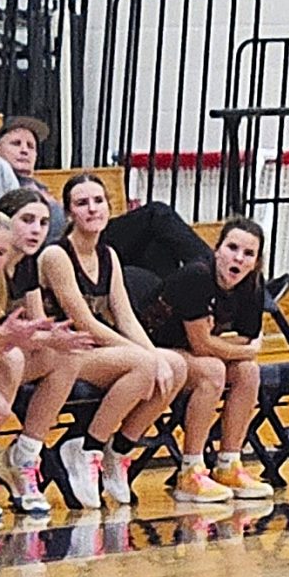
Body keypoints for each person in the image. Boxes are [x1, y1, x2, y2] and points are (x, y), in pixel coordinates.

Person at [38, 171, 185, 509]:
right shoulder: (57, 256)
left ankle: (117, 450)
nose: (92, 208)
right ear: (70, 212)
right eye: (82, 203)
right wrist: (145, 356)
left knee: (174, 366)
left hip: (97, 351)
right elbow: (85, 322)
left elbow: (126, 318)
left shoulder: (109, 255)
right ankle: (85, 447)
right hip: (64, 354)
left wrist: (153, 353)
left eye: (98, 201)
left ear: (109, 206)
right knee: (147, 365)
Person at [144, 218, 273, 502]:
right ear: (217, 250)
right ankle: (190, 471)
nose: (238, 257)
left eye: (248, 253)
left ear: (256, 261)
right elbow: (203, 345)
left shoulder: (252, 284)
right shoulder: (198, 276)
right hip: (155, 349)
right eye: (232, 247)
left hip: (191, 351)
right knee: (214, 369)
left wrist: (230, 346)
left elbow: (245, 336)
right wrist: (241, 349)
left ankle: (229, 464)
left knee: (248, 372)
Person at [0, 188, 84, 518]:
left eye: (42, 222)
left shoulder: (25, 266)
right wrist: (24, 337)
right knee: (12, 358)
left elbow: (36, 327)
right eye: (27, 220)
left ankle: (25, 455)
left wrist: (50, 336)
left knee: (66, 356)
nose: (37, 229)